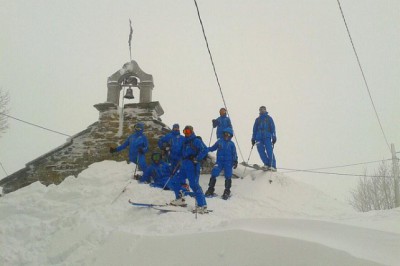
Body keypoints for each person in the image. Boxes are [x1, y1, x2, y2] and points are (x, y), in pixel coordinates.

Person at [169, 125, 209, 213]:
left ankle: (202, 205)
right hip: (184, 165)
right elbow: (181, 154)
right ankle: (179, 199)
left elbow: (205, 150)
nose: (186, 133)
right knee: (175, 180)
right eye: (185, 132)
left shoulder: (196, 141)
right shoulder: (184, 142)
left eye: (188, 132)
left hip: (193, 165)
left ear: (192, 132)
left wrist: (197, 158)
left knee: (194, 185)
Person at [205, 127, 238, 200]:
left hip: (228, 162)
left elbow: (234, 153)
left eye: (228, 134)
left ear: (231, 135)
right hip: (219, 162)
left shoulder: (232, 144)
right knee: (214, 173)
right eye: (225, 134)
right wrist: (205, 149)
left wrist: (235, 161)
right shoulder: (219, 141)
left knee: (228, 176)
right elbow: (213, 148)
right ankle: (210, 189)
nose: (226, 135)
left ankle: (227, 191)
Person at [251, 106, 277, 171]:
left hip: (267, 136)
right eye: (261, 110)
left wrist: (274, 136)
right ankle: (266, 164)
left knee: (269, 150)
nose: (262, 111)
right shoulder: (257, 120)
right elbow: (254, 129)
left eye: (263, 109)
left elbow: (272, 128)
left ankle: (272, 165)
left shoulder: (269, 118)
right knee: (261, 151)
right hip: (258, 137)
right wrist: (253, 138)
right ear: (259, 111)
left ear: (265, 110)